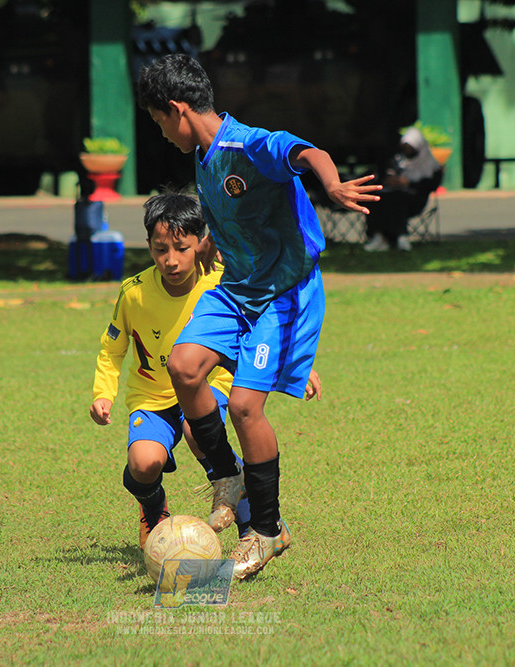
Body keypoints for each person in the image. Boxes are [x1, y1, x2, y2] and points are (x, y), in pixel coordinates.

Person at [136, 54, 379, 579]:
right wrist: (205, 246)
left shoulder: (245, 144)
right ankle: (227, 477)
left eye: (159, 122)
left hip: (284, 294)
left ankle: (267, 531)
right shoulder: (202, 158)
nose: (161, 134)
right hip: (236, 288)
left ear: (178, 109)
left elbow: (306, 151)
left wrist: (332, 187)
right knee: (184, 365)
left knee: (245, 407)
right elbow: (229, 216)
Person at [89, 192, 321, 549]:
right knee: (143, 463)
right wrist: (103, 393)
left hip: (210, 382)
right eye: (160, 249)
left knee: (195, 428)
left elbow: (265, 328)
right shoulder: (133, 293)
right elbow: (113, 347)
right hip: (152, 395)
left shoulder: (222, 285)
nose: (171, 260)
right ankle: (153, 511)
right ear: (148, 246)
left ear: (203, 242)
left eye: (181, 248)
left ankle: (247, 518)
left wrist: (297, 365)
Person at [363, 127, 442, 252]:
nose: (407, 151)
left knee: (397, 199)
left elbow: (431, 185)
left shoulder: (431, 165)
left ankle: (401, 236)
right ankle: (378, 236)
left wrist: (409, 183)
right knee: (377, 198)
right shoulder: (398, 160)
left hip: (415, 200)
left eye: (410, 147)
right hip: (391, 197)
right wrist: (390, 181)